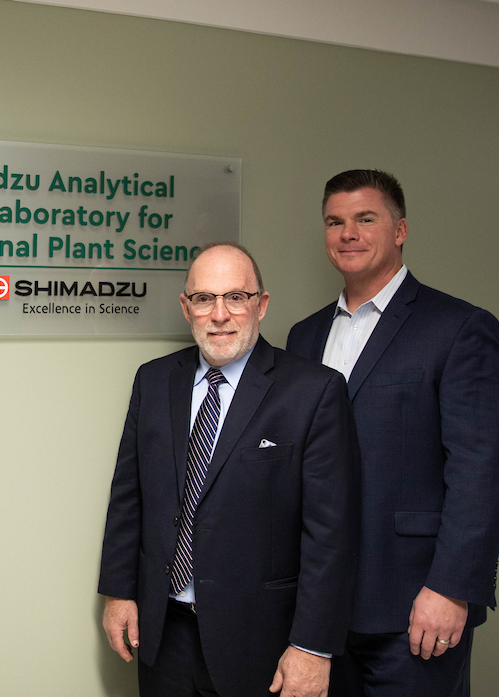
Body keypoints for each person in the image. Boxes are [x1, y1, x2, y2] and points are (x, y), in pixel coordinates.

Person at [99, 243, 361, 697]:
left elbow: (331, 534)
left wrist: (312, 646)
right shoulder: (154, 381)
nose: (219, 314)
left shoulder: (313, 393)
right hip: (165, 633)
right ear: (187, 308)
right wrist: (119, 592)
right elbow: (129, 496)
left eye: (235, 297)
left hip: (263, 643)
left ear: (261, 305)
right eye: (204, 299)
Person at [287, 169, 499, 696]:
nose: (348, 233)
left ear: (400, 230)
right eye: (335, 222)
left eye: (365, 219)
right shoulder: (304, 336)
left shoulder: (458, 328)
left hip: (415, 606)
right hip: (319, 612)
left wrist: (451, 588)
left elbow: (480, 467)